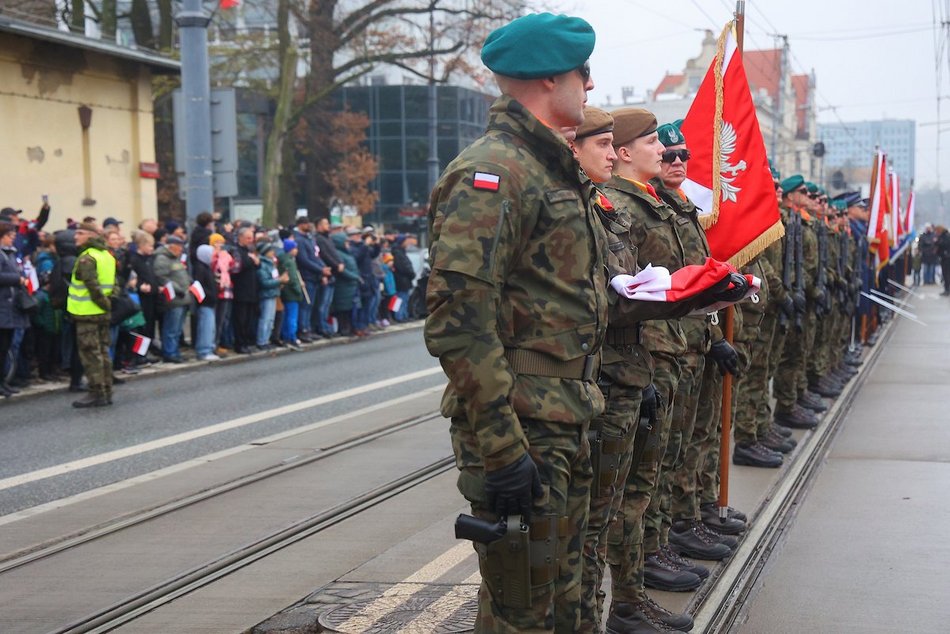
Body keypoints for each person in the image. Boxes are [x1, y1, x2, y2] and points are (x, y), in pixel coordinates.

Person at [425, 12, 606, 632]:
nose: (591, 85)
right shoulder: (496, 173)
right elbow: (459, 320)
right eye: (584, 73)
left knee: (566, 600)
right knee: (521, 612)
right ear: (552, 79)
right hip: (523, 428)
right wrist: (501, 451)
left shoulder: (551, 168)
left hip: (564, 417)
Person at [67, 223, 115, 407]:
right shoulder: (106, 255)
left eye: (80, 233)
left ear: (91, 235)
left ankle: (97, 392)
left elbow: (92, 286)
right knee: (103, 352)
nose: (75, 236)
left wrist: (103, 303)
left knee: (90, 354)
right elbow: (114, 283)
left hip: (88, 313)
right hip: (101, 313)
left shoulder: (87, 258)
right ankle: (107, 390)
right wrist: (108, 305)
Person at [0, 222, 30, 397]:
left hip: (10, 308)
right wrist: (17, 279)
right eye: (10, 236)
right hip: (3, 307)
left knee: (6, 347)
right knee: (2, 346)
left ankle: (3, 381)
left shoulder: (9, 254)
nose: (13, 239)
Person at [152, 235, 192, 363]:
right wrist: (179, 289)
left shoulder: (175, 258)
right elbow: (163, 278)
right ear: (171, 246)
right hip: (174, 298)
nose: (181, 249)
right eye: (179, 246)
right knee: (171, 328)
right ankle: (169, 353)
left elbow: (182, 275)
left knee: (177, 328)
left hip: (183, 298)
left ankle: (175, 352)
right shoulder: (162, 259)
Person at [231, 227, 261, 354]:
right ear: (240, 238)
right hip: (241, 291)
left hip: (252, 290)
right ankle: (240, 343)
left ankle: (247, 341)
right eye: (248, 238)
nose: (251, 240)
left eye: (252, 238)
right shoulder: (236, 250)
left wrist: (256, 262)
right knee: (240, 319)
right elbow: (237, 267)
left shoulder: (250, 251)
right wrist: (251, 261)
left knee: (249, 319)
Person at [193, 244, 219, 360]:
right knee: (206, 327)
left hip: (210, 301)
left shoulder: (206, 267)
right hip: (205, 302)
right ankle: (204, 350)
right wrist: (210, 295)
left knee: (210, 327)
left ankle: (209, 347)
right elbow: (200, 286)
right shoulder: (200, 268)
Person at [278, 239, 303, 349]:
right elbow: (293, 279)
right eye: (295, 248)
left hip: (285, 292)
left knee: (286, 315)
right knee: (292, 317)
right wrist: (299, 290)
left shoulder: (282, 260)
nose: (297, 250)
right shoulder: (290, 262)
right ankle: (292, 337)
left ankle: (285, 336)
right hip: (292, 293)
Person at [390, 234, 415, 322]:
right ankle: (399, 316)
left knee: (404, 299)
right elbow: (403, 267)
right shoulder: (397, 253)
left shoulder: (401, 252)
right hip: (401, 280)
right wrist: (411, 273)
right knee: (400, 299)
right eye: (405, 241)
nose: (407, 243)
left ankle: (404, 315)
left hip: (405, 280)